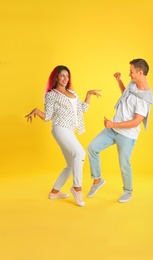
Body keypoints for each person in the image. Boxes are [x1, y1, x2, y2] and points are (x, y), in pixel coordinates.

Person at [25, 65, 101, 207]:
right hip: (60, 128)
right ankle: (77, 188)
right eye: (62, 76)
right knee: (79, 153)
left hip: (69, 130)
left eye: (67, 76)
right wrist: (36, 110)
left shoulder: (73, 93)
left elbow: (82, 109)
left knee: (72, 165)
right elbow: (47, 116)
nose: (65, 79)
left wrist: (89, 94)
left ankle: (54, 192)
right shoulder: (52, 94)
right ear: (56, 77)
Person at [87, 58, 153, 203]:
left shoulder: (144, 99)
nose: (129, 74)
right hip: (113, 128)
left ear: (140, 72)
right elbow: (127, 95)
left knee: (124, 164)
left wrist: (113, 125)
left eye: (131, 72)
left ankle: (128, 191)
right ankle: (97, 180)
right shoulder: (133, 85)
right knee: (92, 148)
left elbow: (136, 122)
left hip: (126, 135)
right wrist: (119, 81)